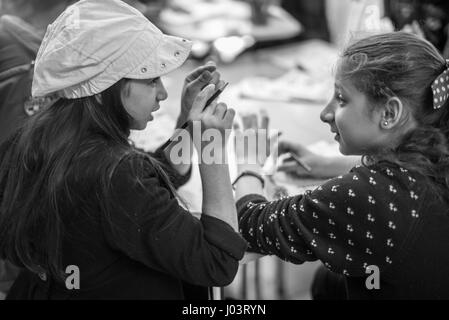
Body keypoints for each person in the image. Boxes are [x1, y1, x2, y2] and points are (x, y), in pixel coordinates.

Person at [0, 0, 246, 300]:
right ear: (106, 86)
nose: (162, 92)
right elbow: (217, 262)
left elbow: (151, 182)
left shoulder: (36, 138)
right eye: (150, 79)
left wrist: (188, 126)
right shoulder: (116, 173)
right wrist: (213, 151)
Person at [234, 31, 449, 299]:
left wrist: (248, 164)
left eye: (342, 99)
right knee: (329, 281)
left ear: (390, 113)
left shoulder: (367, 196)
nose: (325, 113)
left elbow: (250, 225)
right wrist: (327, 164)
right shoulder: (435, 157)